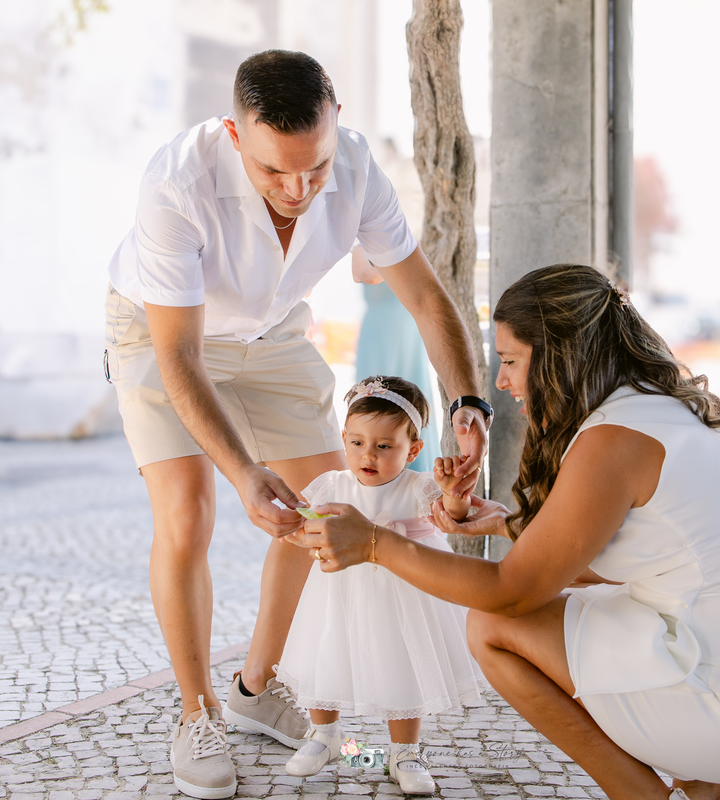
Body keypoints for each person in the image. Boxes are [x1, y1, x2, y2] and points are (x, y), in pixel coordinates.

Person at [295, 264, 720, 800]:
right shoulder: (661, 409)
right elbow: (626, 561)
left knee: (490, 626)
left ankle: (645, 792)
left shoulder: (613, 439)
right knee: (583, 603)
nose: (502, 380)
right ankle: (710, 783)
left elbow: (510, 592)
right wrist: (511, 526)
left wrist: (374, 543)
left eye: (510, 360)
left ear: (559, 355)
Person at [103, 49, 490, 799]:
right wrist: (244, 473)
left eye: (312, 169)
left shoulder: (356, 169)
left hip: (272, 332)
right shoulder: (177, 181)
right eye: (273, 172)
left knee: (321, 505)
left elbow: (424, 294)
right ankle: (197, 712)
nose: (297, 190)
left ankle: (254, 687)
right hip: (163, 332)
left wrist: (467, 402)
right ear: (233, 134)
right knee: (189, 512)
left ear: (336, 120)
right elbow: (180, 358)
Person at [275, 375, 485, 794]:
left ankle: (404, 750)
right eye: (356, 442)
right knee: (326, 651)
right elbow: (300, 526)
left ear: (414, 449)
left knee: (401, 662)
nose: (367, 454)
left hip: (402, 593)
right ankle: (326, 736)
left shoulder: (419, 487)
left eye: (384, 446)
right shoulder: (332, 485)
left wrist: (455, 491)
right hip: (337, 592)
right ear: (344, 439)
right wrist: (298, 532)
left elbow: (453, 514)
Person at [351, 246, 442, 471]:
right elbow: (367, 275)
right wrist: (399, 261)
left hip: (407, 329)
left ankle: (416, 466)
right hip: (379, 331)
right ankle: (375, 462)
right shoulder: (360, 249)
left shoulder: (409, 244)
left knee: (414, 394)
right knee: (374, 397)